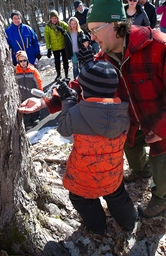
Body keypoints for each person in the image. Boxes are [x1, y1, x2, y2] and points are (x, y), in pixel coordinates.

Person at [18, 0, 166, 219]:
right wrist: (46, 102)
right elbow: (79, 85)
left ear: (116, 25)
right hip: (134, 121)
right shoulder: (104, 57)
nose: (90, 36)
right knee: (131, 148)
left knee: (163, 165)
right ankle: (141, 172)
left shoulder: (161, 47)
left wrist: (162, 129)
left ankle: (163, 199)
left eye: (95, 29)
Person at [55, 61, 136, 234]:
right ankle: (129, 221)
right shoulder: (122, 112)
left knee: (80, 199)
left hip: (83, 178)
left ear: (86, 91)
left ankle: (98, 226)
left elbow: (63, 129)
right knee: (116, 194)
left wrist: (68, 101)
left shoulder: (76, 112)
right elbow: (99, 112)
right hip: (112, 173)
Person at [15, 50, 43, 130]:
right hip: (22, 94)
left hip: (33, 94)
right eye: (21, 61)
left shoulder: (32, 70)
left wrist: (40, 92)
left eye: (24, 60)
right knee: (25, 107)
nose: (23, 62)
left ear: (27, 60)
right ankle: (27, 120)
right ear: (18, 61)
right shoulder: (16, 71)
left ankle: (36, 117)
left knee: (34, 106)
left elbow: (39, 81)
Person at [44, 10, 69, 81]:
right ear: (50, 19)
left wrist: (63, 31)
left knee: (65, 60)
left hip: (63, 46)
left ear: (57, 18)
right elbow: (47, 38)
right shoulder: (48, 27)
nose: (54, 20)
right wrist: (48, 48)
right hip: (55, 47)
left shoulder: (62, 24)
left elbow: (69, 30)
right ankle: (58, 74)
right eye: (52, 18)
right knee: (57, 61)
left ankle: (66, 74)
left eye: (55, 18)